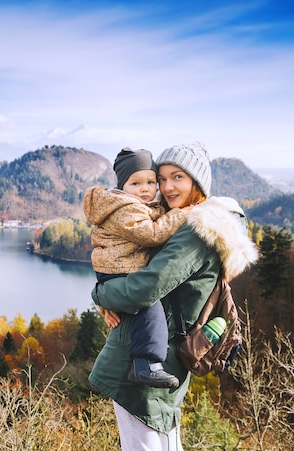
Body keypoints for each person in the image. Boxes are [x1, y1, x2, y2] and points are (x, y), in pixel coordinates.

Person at [89, 142, 259, 450]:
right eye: (161, 178)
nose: (166, 187)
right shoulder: (180, 222)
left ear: (196, 182)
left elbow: (145, 289)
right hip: (158, 365)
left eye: (177, 177)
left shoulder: (195, 231)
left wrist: (100, 292)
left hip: (141, 369)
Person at [83, 147, 190, 388]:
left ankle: (145, 364)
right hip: (119, 269)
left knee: (144, 307)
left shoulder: (137, 203)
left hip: (118, 268)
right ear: (122, 187)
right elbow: (151, 234)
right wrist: (181, 214)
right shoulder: (126, 208)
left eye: (151, 182)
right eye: (136, 183)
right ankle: (146, 365)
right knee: (147, 303)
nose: (145, 188)